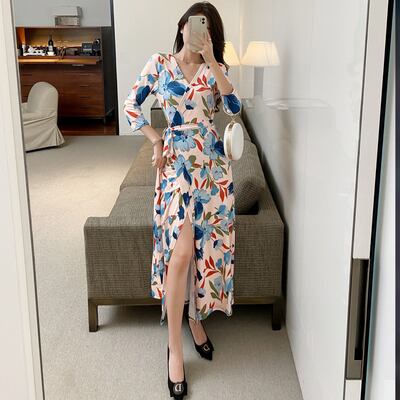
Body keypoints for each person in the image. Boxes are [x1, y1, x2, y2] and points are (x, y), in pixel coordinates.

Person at [123, 2, 241, 398]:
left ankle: (194, 318)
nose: (198, 33)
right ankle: (175, 348)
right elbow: (131, 106)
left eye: (207, 30)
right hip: (175, 165)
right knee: (182, 252)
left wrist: (213, 61)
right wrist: (155, 139)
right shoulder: (159, 64)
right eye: (194, 25)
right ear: (182, 26)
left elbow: (234, 107)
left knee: (204, 250)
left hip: (211, 167)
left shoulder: (214, 69)